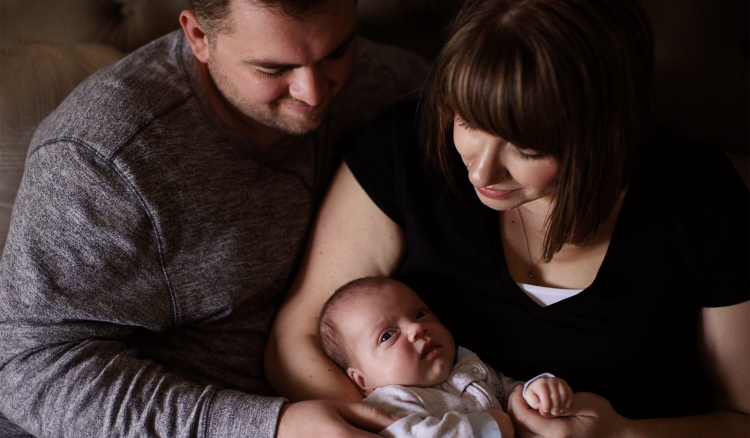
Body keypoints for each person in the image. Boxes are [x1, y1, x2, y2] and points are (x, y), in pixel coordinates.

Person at [265, 0, 750, 436]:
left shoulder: (703, 200)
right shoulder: (401, 153)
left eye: (527, 149)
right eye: (467, 120)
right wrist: (410, 428)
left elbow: (741, 417)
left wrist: (620, 434)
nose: (480, 172)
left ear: (603, 136)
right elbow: (297, 341)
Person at [0, 0, 428, 436]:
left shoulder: (390, 86)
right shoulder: (103, 155)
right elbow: (26, 366)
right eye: (272, 70)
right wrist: (269, 427)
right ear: (199, 37)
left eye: (336, 52)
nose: (313, 92)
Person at [318, 276, 573, 438]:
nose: (417, 328)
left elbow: (510, 393)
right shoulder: (392, 401)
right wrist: (489, 427)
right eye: (387, 335)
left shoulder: (470, 367)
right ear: (363, 381)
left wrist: (535, 392)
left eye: (420, 314)